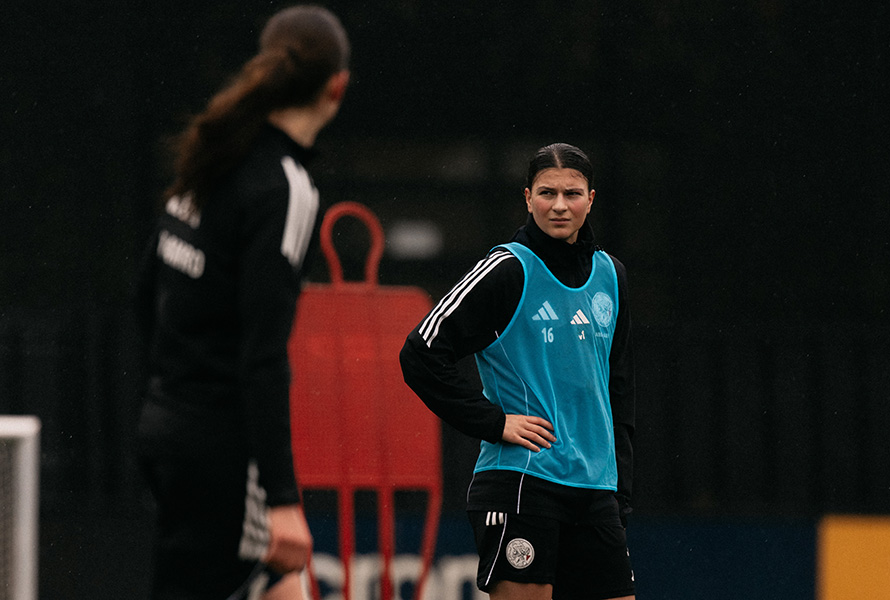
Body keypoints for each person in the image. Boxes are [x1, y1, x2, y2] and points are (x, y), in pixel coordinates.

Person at [134, 6, 350, 599]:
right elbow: (262, 354)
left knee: (284, 583)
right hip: (221, 452)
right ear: (338, 86)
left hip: (168, 429)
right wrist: (283, 501)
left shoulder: (215, 152)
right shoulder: (285, 187)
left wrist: (165, 402)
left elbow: (146, 293)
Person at [400, 143, 636, 600]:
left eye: (572, 193)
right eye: (547, 193)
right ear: (527, 198)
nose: (560, 205)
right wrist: (493, 421)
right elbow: (421, 352)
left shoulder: (612, 274)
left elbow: (619, 388)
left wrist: (620, 490)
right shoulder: (508, 268)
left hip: (595, 490)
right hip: (524, 483)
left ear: (592, 199)